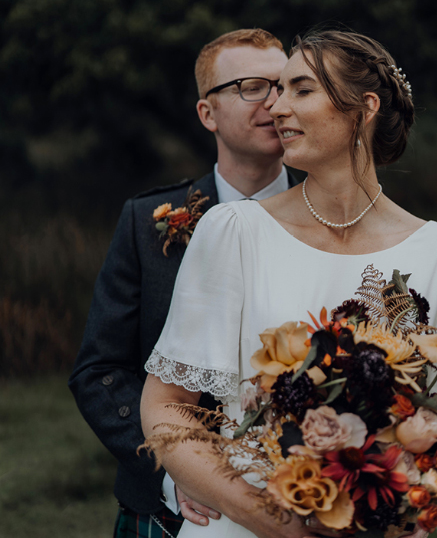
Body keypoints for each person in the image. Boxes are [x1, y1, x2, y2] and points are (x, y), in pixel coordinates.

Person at [141, 29, 437, 538]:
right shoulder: (234, 230)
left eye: (300, 89)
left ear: (364, 108)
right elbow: (166, 406)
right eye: (276, 90)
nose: (276, 107)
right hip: (247, 521)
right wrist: (272, 520)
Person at [69, 28, 296, 538]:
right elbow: (100, 370)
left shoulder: (332, 219)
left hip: (298, 497)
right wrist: (178, 470)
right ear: (207, 114)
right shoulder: (147, 220)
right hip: (170, 510)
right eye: (252, 87)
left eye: (286, 85)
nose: (275, 102)